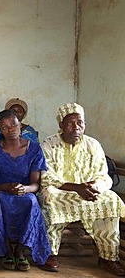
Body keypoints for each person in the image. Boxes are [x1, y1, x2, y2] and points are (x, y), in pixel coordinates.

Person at [39, 103, 125, 275]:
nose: (76, 128)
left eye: (80, 123)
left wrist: (93, 188)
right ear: (61, 125)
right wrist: (76, 188)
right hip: (60, 190)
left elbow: (103, 174)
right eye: (70, 123)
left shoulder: (93, 145)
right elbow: (46, 176)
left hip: (88, 190)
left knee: (111, 199)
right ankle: (49, 253)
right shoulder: (49, 144)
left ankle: (108, 257)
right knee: (51, 199)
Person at [0, 109, 51, 271]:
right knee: (1, 200)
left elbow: (36, 183)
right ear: (0, 130)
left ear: (20, 125)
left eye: (13, 125)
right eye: (5, 127)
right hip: (0, 191)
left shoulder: (34, 150)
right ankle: (7, 250)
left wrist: (25, 189)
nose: (10, 129)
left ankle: (20, 251)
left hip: (25, 192)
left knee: (32, 202)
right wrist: (5, 187)